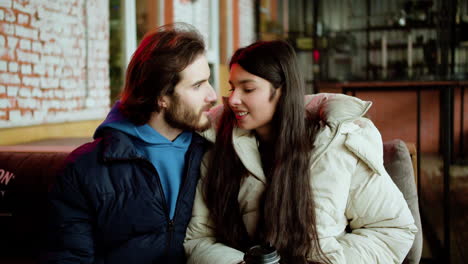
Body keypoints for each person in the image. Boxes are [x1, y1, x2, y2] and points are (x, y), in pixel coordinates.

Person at [184, 40, 417, 264]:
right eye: (232, 87)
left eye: (248, 88)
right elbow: (199, 238)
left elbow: (392, 229)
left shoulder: (334, 145)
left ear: (283, 91)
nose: (233, 99)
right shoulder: (218, 146)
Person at [47, 23, 217, 264]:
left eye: (208, 80)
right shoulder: (85, 169)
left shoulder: (214, 155)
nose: (212, 95)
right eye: (198, 85)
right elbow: (69, 258)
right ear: (161, 97)